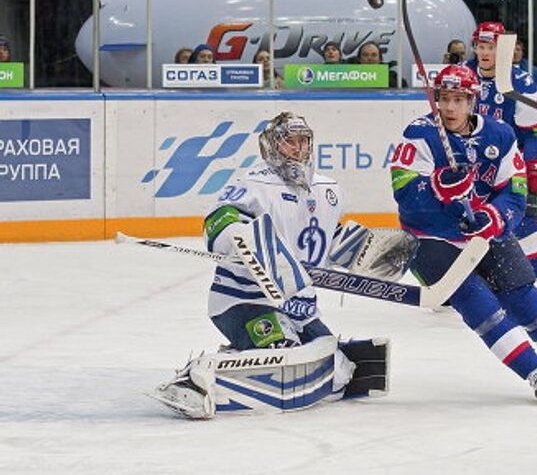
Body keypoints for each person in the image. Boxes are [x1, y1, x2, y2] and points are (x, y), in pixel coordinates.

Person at [151, 112, 388, 418]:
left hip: (299, 308)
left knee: (337, 370)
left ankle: (242, 355)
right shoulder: (253, 183)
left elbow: (327, 241)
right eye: (290, 142)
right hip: (243, 301)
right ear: (271, 147)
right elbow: (218, 222)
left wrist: (363, 252)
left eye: (303, 141)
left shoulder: (328, 189)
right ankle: (194, 378)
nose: (298, 149)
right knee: (284, 358)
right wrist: (239, 234)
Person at [390, 64, 537, 403]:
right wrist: (436, 188)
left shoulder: (501, 134)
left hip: (485, 234)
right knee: (479, 303)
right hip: (430, 238)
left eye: (459, 99)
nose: (449, 107)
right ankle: (534, 371)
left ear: (472, 101)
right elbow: (403, 191)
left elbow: (514, 192)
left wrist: (494, 216)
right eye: (444, 98)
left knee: (526, 298)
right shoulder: (419, 134)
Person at [463, 22, 537, 311]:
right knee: (459, 221)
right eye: (480, 46)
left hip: (508, 166)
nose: (484, 52)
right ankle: (455, 284)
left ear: (503, 49)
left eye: (490, 47)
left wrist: (533, 168)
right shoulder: (465, 74)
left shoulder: (520, 82)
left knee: (524, 224)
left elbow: (535, 133)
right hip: (470, 167)